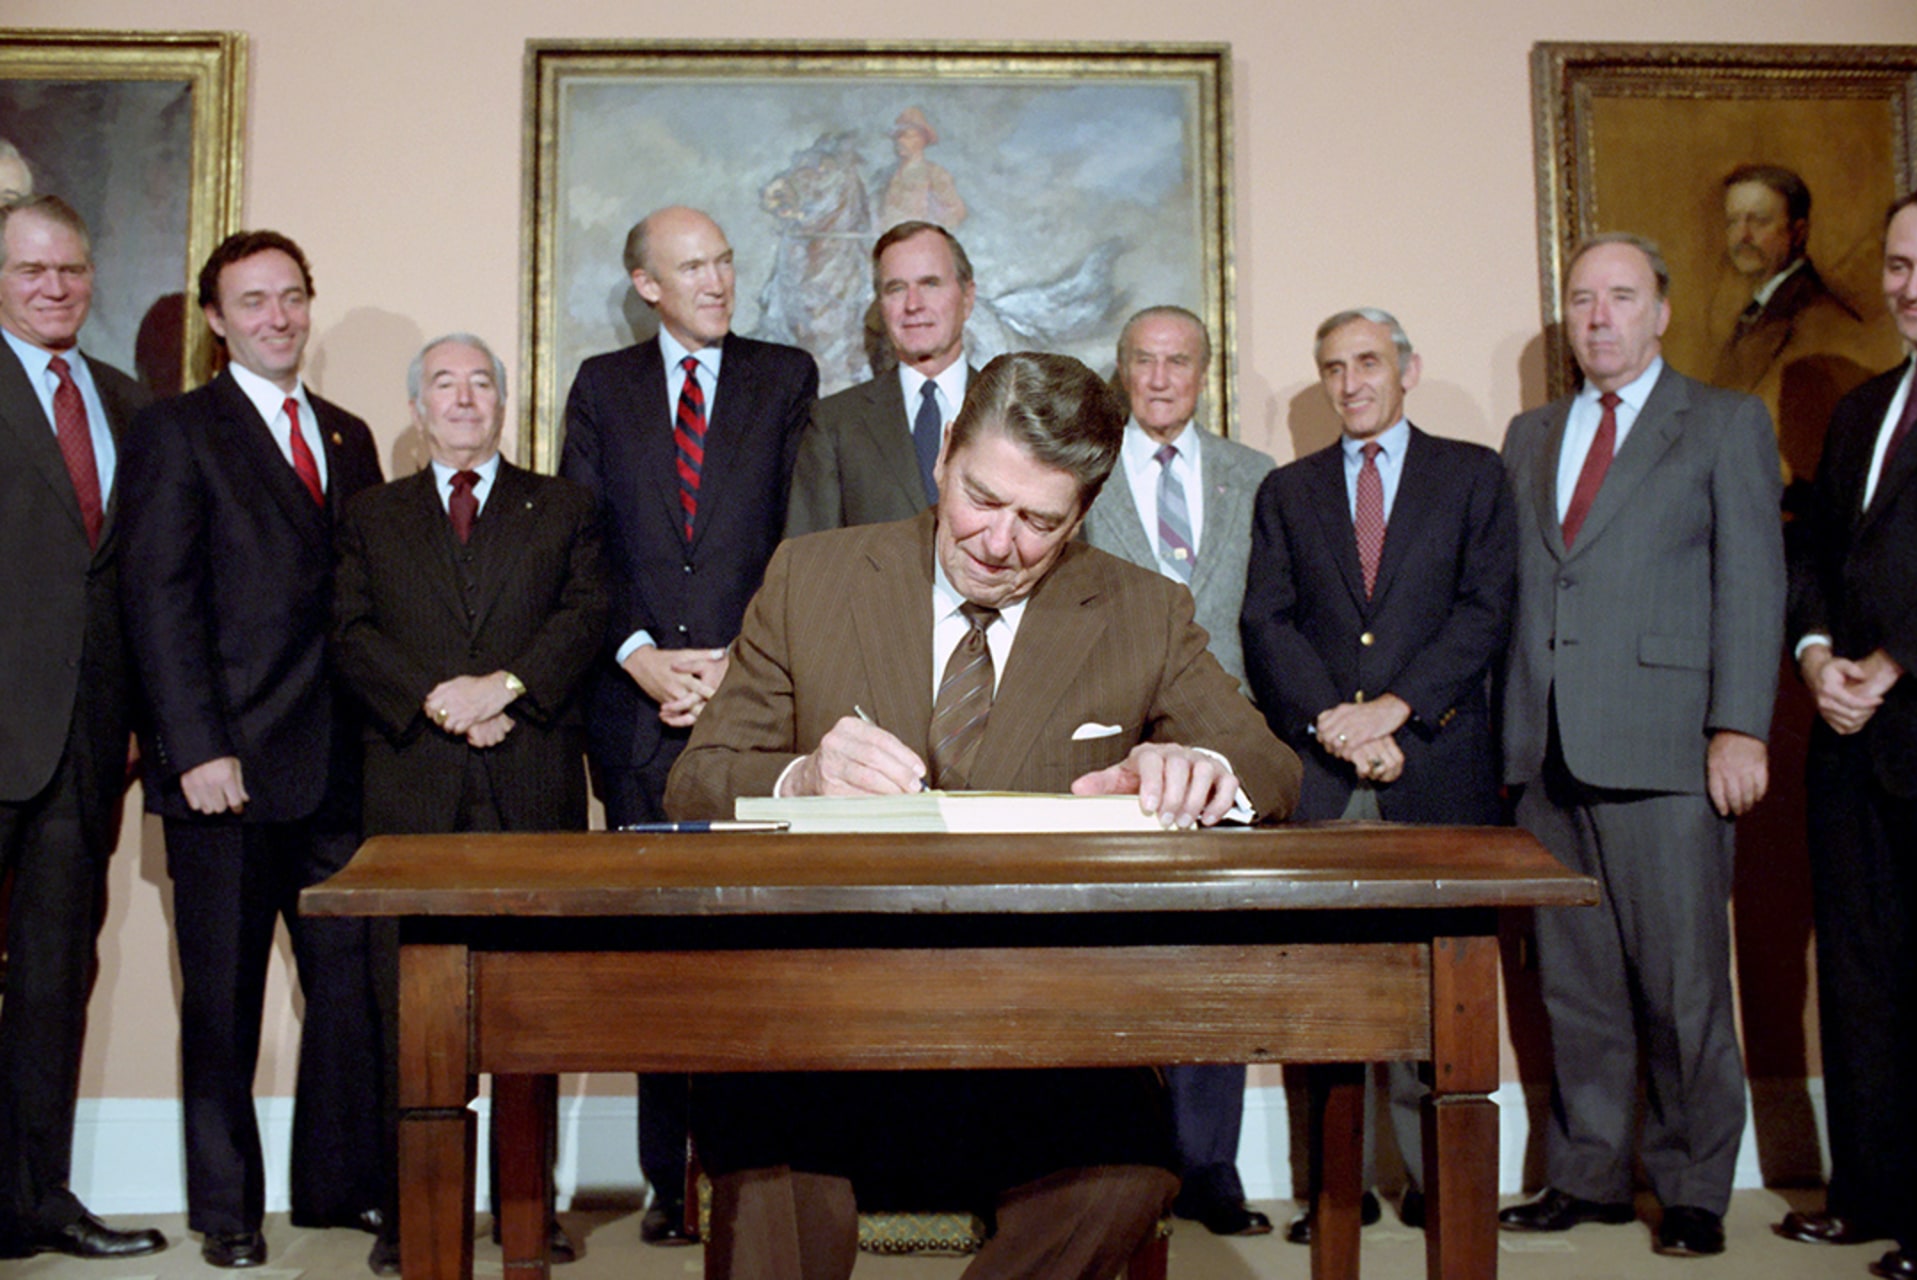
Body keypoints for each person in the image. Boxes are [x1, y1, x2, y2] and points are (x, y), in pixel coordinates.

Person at [664, 350, 1300, 1280]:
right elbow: (697, 781)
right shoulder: (812, 577)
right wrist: (800, 778)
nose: (998, 543)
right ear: (944, 456)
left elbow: (1268, 769)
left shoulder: (1143, 613)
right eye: (980, 498)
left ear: (1082, 515)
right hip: (818, 1033)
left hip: (1050, 1040)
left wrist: (1198, 764)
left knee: (1128, 1175)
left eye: (1039, 521)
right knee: (769, 1189)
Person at [1496, 233, 1784, 1257]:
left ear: (1661, 310)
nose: (1599, 317)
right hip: (1548, 748)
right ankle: (1588, 1175)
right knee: (1575, 985)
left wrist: (1739, 724)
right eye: (1582, 299)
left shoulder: (1723, 423)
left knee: (1682, 982)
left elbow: (1754, 580)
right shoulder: (1530, 434)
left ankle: (1697, 1183)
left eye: (1621, 297)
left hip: (1668, 748)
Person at [118, 230, 387, 1269]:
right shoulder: (177, 431)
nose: (277, 317)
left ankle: (338, 1185)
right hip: (224, 772)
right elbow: (158, 597)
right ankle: (225, 1207)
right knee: (223, 1005)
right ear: (217, 320)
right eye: (253, 302)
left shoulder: (349, 434)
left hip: (339, 767)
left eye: (291, 297)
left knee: (352, 997)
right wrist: (194, 747)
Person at [557, 204, 817, 1245]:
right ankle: (669, 1183)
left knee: (761, 955)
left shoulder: (783, 375)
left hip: (754, 710)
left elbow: (804, 538)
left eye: (724, 261)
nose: (717, 280)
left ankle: (754, 1173)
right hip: (635, 714)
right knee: (661, 959)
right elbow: (581, 546)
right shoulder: (601, 388)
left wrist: (737, 665)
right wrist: (637, 654)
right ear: (646, 284)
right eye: (692, 266)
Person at [333, 333, 610, 1272]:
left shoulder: (565, 507)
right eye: (443, 384)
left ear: (502, 401)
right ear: (418, 407)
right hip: (412, 787)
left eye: (479, 382)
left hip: (530, 780)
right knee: (403, 1008)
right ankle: (413, 1220)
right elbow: (351, 629)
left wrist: (505, 687)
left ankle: (530, 1211)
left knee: (535, 1006)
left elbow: (584, 616)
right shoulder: (373, 515)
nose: (462, 397)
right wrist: (438, 700)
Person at [1242, 307, 1516, 1241]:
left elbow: (1486, 610)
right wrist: (1333, 722)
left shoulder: (1473, 475)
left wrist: (1396, 711)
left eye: (1367, 362)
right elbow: (1267, 623)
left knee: (1437, 991)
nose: (1351, 381)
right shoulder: (1287, 491)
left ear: (1407, 367)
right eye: (1332, 367)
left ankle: (1440, 1182)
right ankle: (1334, 1190)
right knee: (1325, 992)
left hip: (1433, 762)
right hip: (1325, 774)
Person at [1081, 303, 1274, 1236]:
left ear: (1204, 371)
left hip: (1220, 746)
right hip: (1107, 745)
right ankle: (1116, 1160)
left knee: (1215, 957)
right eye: (1145, 362)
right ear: (1122, 370)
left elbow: (1270, 621)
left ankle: (1211, 1168)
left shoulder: (1254, 478)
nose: (1161, 379)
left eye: (1180, 362)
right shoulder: (1081, 476)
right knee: (1112, 956)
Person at [0, 195, 165, 1262]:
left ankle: (33, 1198)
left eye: (71, 269)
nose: (55, 288)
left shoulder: (125, 400)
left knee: (57, 979)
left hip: (85, 745)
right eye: (30, 271)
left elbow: (140, 582)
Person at [1776, 188, 1917, 1280]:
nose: (1907, 288)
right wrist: (1823, 654)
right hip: (1847, 737)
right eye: (1900, 266)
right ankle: (1868, 1194)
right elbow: (1816, 553)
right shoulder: (1867, 409)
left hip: (1911, 713)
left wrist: (1897, 661)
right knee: (1860, 977)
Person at [785, 220, 976, 536]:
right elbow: (811, 564)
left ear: (967, 297)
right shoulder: (835, 424)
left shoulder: (1017, 412)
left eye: (930, 283)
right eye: (896, 288)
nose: (913, 305)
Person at [1712, 163, 1875, 501]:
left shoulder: (1821, 318)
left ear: (1798, 231)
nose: (1742, 236)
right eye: (1733, 222)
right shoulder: (1757, 312)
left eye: (1758, 221)